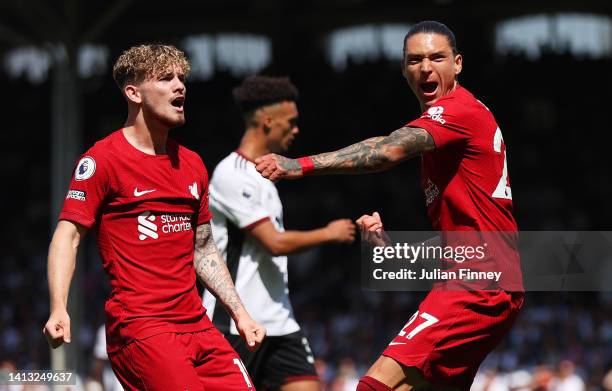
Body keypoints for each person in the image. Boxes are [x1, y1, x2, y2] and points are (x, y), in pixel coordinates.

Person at [255, 21, 524, 390]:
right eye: (415, 60)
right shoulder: (448, 137)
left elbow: (390, 148)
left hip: (480, 280)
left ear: (458, 64)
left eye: (437, 57)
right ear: (403, 69)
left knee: (375, 385)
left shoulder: (459, 111)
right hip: (484, 276)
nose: (426, 67)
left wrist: (299, 165)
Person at [43, 44, 265, 391]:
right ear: (133, 93)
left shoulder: (192, 163)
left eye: (181, 77)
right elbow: (67, 235)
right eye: (165, 78)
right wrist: (59, 307)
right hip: (143, 326)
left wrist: (240, 314)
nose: (180, 86)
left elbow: (203, 248)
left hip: (198, 324)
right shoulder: (103, 159)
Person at [203, 75, 356, 391]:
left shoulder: (267, 176)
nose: (297, 129)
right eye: (292, 122)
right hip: (233, 324)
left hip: (280, 323)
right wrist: (329, 233)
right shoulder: (231, 173)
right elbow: (273, 242)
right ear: (268, 122)